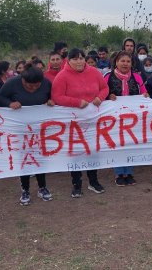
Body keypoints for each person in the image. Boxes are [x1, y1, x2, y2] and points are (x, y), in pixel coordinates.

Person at [51, 48, 109, 197]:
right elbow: (57, 96)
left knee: (93, 150)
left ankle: (93, 181)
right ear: (68, 61)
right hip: (73, 122)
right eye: (75, 59)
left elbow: (105, 88)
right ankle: (76, 184)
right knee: (76, 152)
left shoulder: (95, 72)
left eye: (81, 58)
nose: (79, 61)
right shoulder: (62, 76)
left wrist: (100, 98)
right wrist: (76, 102)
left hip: (93, 120)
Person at [0, 64, 55, 204]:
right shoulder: (12, 83)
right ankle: (25, 189)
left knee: (41, 157)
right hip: (20, 129)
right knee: (24, 158)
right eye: (29, 86)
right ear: (22, 80)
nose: (33, 89)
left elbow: (52, 96)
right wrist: (10, 103)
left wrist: (51, 101)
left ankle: (42, 187)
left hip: (40, 128)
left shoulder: (47, 83)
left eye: (36, 86)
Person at [104, 51, 149, 186]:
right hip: (114, 119)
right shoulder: (108, 76)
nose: (125, 63)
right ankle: (119, 173)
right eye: (122, 61)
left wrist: (145, 95)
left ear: (132, 63)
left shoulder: (136, 77)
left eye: (128, 61)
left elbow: (143, 92)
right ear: (116, 62)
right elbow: (101, 93)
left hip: (133, 118)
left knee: (130, 144)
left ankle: (129, 173)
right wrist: (108, 96)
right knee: (117, 145)